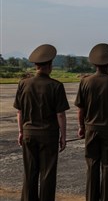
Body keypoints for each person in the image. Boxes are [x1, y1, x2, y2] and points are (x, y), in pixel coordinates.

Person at [13, 44, 70, 201]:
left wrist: (20, 131)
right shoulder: (56, 86)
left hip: (28, 133)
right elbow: (60, 114)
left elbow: (19, 112)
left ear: (36, 65)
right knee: (47, 173)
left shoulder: (23, 84)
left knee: (30, 172)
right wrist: (63, 136)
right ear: (50, 65)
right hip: (48, 135)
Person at [75, 43, 108, 201]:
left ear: (94, 64)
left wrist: (81, 127)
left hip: (91, 128)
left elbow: (81, 109)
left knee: (92, 164)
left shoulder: (85, 81)